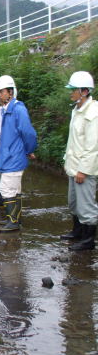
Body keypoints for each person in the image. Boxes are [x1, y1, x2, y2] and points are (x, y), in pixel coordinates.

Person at [0, 75, 37, 232]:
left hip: (14, 157)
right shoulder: (7, 110)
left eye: (2, 91)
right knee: (15, 190)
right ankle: (15, 219)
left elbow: (28, 133)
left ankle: (13, 222)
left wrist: (29, 149)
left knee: (6, 189)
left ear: (11, 92)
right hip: (9, 156)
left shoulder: (18, 109)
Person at [61, 71, 98, 251]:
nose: (71, 92)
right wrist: (67, 160)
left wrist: (83, 169)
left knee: (86, 205)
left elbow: (93, 146)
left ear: (84, 91)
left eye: (73, 89)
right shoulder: (76, 110)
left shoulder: (93, 112)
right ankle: (77, 231)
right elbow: (73, 140)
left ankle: (88, 240)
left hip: (84, 169)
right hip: (73, 166)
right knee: (74, 203)